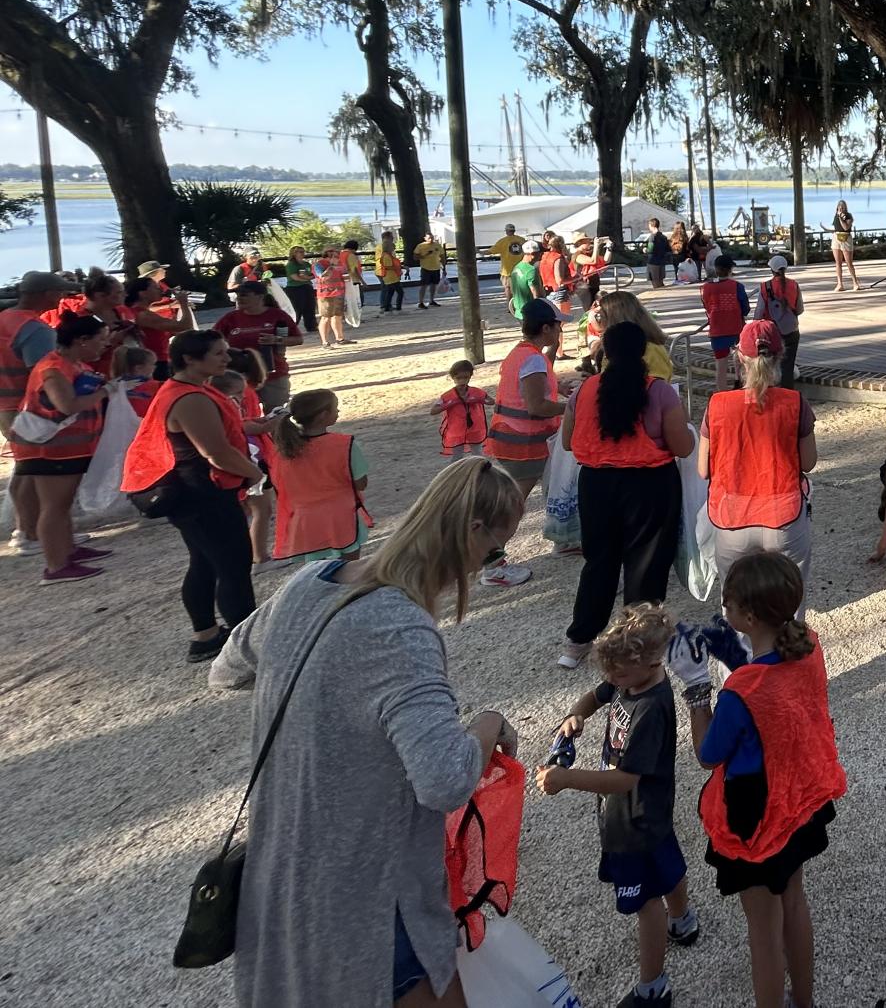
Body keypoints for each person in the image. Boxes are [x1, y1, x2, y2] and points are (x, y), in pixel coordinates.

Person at [210, 456, 523, 1008]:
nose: (485, 565)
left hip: (280, 870)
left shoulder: (310, 581)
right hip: (369, 896)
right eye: (495, 549)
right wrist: (488, 724)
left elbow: (229, 665)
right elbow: (444, 781)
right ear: (473, 532)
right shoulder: (400, 627)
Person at [680, 552, 846, 1008]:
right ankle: (804, 1000)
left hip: (756, 812)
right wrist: (735, 652)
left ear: (749, 616)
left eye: (728, 606)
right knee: (794, 899)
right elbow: (773, 681)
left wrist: (697, 690)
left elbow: (707, 753)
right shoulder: (808, 644)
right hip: (799, 798)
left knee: (762, 932)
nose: (723, 612)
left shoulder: (740, 692)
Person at [540, 603, 702, 1007]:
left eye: (620, 673)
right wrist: (576, 715)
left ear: (652, 662)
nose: (612, 679)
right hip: (652, 814)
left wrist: (566, 780)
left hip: (632, 817)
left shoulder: (650, 708)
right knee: (667, 864)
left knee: (646, 902)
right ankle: (683, 921)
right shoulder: (629, 679)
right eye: (608, 671)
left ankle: (653, 987)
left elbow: (626, 779)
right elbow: (596, 695)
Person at [119, 329, 264, 659]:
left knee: (205, 562)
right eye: (218, 353)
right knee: (233, 566)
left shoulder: (184, 390)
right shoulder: (191, 398)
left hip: (190, 492)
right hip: (202, 491)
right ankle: (246, 649)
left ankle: (206, 635)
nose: (227, 359)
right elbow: (215, 451)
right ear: (189, 359)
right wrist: (255, 473)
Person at [559, 322, 695, 669]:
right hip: (649, 484)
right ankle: (638, 644)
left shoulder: (586, 389)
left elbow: (567, 442)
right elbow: (682, 447)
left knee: (599, 562)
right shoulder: (660, 391)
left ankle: (578, 641)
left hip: (597, 484)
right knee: (647, 564)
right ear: (643, 351)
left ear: (605, 351)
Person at [700, 321, 818, 588]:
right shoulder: (796, 403)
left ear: (739, 356)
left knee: (736, 604)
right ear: (780, 355)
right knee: (789, 600)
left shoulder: (717, 404)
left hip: (732, 517)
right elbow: (808, 463)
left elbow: (703, 469)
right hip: (783, 515)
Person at [13, 311, 112, 583]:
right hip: (47, 449)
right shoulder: (53, 368)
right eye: (100, 340)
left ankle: (67, 550)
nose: (105, 345)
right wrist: (104, 392)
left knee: (62, 504)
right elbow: (66, 405)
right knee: (54, 506)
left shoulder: (74, 364)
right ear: (82, 340)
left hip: (67, 447)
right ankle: (56, 566)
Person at [480, 298, 567, 583]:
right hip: (524, 443)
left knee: (552, 489)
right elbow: (536, 407)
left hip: (517, 438)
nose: (560, 331)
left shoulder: (523, 353)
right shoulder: (532, 358)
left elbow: (536, 389)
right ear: (546, 328)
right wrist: (576, 406)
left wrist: (558, 388)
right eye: (557, 326)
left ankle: (565, 539)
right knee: (513, 505)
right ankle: (492, 564)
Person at [1, 269, 70, 547]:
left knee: (25, 467)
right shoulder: (34, 329)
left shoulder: (6, 319)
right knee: (39, 470)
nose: (63, 296)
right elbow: (45, 374)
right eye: (60, 291)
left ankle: (26, 530)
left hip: (6, 404)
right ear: (47, 294)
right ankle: (33, 534)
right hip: (28, 406)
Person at [265, 388, 371, 562]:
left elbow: (280, 486)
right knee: (348, 566)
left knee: (316, 572)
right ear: (323, 415)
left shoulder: (282, 450)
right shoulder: (344, 444)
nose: (338, 412)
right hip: (341, 515)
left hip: (305, 519)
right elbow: (361, 483)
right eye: (335, 408)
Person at [214, 281, 303, 410]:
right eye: (237, 295)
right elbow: (212, 339)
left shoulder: (277, 315)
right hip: (240, 376)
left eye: (244, 295)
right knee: (243, 413)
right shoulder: (230, 318)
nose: (239, 298)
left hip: (273, 373)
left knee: (275, 413)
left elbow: (298, 339)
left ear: (261, 297)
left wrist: (276, 340)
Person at [127, 261, 197, 371]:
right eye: (155, 288)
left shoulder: (140, 312)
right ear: (142, 293)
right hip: (155, 362)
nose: (160, 290)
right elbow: (185, 326)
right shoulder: (143, 314)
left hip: (156, 359)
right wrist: (183, 303)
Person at [752, 252, 806, 390]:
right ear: (785, 268)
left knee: (771, 364)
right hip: (792, 329)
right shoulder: (794, 285)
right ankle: (788, 393)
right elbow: (799, 309)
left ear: (771, 270)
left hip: (772, 332)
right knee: (788, 365)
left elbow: (758, 312)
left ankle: (773, 392)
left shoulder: (765, 287)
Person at [701, 254, 750, 392]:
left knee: (720, 365)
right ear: (730, 270)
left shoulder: (707, 288)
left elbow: (706, 307)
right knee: (740, 360)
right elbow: (745, 308)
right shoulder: (737, 286)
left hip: (717, 330)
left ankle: (721, 393)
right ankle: (739, 383)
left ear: (716, 270)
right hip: (736, 329)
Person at [430, 359, 489, 459]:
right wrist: (449, 404)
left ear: (470, 376)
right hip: (457, 431)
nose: (462, 381)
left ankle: (480, 472)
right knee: (457, 457)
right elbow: (433, 411)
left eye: (465, 377)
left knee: (478, 454)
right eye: (458, 378)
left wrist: (478, 399)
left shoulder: (475, 392)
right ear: (453, 378)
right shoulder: (448, 396)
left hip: (474, 428)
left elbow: (490, 401)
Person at [310, 247, 349, 347]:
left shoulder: (340, 263)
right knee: (326, 317)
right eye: (333, 253)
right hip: (326, 294)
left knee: (338, 316)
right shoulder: (319, 264)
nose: (336, 255)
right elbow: (322, 276)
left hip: (339, 292)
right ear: (327, 254)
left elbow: (345, 275)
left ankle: (340, 338)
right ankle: (325, 341)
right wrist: (331, 266)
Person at [508, 238, 546, 320]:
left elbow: (512, 288)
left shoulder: (516, 267)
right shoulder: (531, 270)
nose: (541, 256)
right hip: (531, 312)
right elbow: (535, 293)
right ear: (532, 254)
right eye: (539, 253)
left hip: (519, 311)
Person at [829, 199, 858, 292]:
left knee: (849, 262)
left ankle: (855, 283)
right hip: (836, 237)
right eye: (839, 207)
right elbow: (836, 228)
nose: (841, 209)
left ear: (845, 208)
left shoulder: (848, 216)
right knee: (838, 263)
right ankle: (840, 284)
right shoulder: (835, 216)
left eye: (842, 207)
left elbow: (846, 227)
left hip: (846, 238)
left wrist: (841, 218)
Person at [340, 239, 367, 328]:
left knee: (346, 299)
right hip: (353, 280)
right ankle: (355, 316)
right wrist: (362, 281)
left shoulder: (340, 254)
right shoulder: (351, 255)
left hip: (343, 279)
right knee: (357, 299)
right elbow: (354, 269)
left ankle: (344, 317)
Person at [413, 233, 445, 308]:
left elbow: (442, 256)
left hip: (436, 267)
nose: (431, 239)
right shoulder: (420, 246)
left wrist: (444, 267)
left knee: (434, 285)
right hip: (425, 268)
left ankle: (432, 300)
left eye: (432, 238)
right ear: (425, 238)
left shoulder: (437, 245)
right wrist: (425, 255)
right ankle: (421, 302)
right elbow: (415, 257)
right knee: (424, 285)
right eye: (429, 238)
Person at [375, 233, 405, 312]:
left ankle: (387, 305)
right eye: (391, 237)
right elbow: (386, 263)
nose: (393, 238)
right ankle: (385, 305)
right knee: (388, 289)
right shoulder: (383, 248)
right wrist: (397, 268)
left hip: (386, 272)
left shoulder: (385, 248)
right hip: (384, 272)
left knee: (389, 290)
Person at [645, 217, 672, 289]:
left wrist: (645, 250)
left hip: (653, 261)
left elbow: (650, 249)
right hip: (662, 261)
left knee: (655, 282)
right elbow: (668, 249)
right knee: (661, 281)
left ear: (651, 226)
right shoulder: (663, 237)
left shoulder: (652, 237)